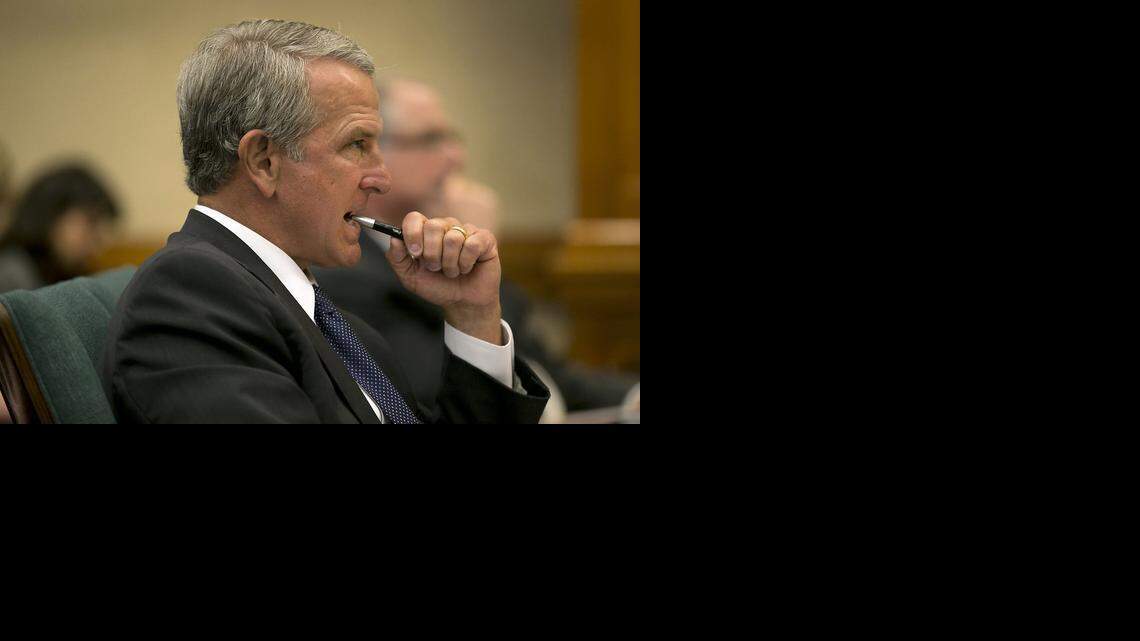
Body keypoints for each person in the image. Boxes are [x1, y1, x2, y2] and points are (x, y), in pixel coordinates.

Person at [101, 20, 549, 423]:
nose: (382, 179)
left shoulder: (328, 318)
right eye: (356, 145)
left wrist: (473, 315)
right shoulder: (189, 296)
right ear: (264, 161)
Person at [314, 78, 637, 418]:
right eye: (430, 139)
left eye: (453, 138)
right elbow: (432, 390)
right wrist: (470, 266)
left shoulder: (434, 242)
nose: (455, 157)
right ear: (374, 151)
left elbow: (539, 368)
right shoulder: (344, 267)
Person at [0, 163, 120, 293]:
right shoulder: (11, 272)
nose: (96, 243)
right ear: (52, 214)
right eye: (91, 222)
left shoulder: (62, 271)